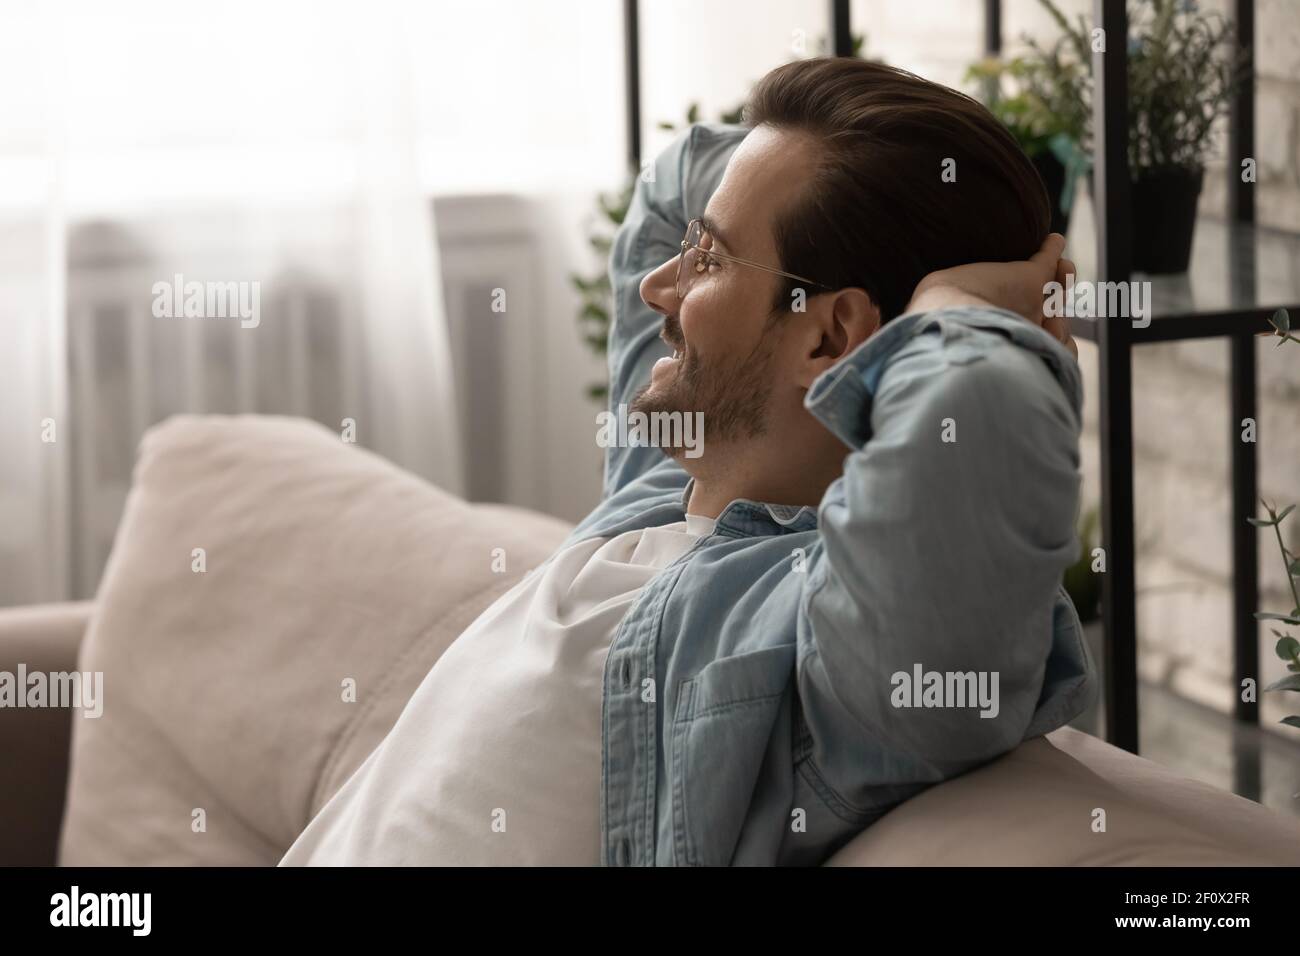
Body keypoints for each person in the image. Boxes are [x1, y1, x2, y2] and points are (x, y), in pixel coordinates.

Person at [281, 56, 1095, 867]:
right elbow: (675, 182)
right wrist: (805, 164)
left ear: (829, 337)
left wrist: (966, 312)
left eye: (705, 259)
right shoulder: (659, 491)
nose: (656, 288)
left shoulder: (799, 638)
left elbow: (975, 421)